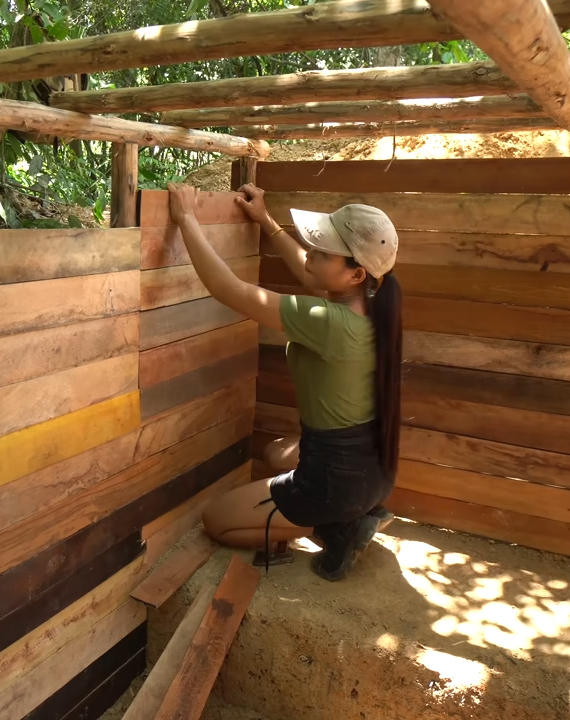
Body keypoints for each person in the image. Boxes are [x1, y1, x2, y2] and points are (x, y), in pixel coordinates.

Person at [166, 182, 402, 581]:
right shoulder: (374, 304)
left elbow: (231, 290)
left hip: (336, 481)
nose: (311, 253)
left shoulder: (329, 321)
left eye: (323, 252)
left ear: (356, 273)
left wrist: (186, 219)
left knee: (217, 521)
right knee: (277, 454)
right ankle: (361, 511)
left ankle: (337, 526)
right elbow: (313, 276)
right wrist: (266, 222)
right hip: (370, 472)